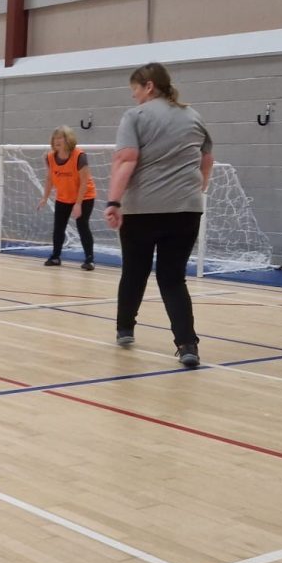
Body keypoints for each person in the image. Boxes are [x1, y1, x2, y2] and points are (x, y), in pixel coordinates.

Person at [104, 62, 213, 368]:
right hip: (186, 210)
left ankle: (125, 329)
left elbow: (126, 160)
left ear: (149, 86)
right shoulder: (194, 115)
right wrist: (198, 188)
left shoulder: (135, 117)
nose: (133, 96)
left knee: (134, 271)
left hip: (143, 210)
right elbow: (207, 159)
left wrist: (113, 201)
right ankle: (187, 344)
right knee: (173, 278)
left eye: (135, 89)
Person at [36, 125, 97, 271]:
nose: (57, 141)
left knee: (82, 225)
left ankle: (89, 259)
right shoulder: (50, 157)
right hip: (64, 196)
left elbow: (84, 182)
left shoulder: (79, 156)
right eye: (55, 138)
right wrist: (45, 197)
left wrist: (78, 204)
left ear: (68, 140)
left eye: (60, 138)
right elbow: (49, 179)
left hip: (84, 196)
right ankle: (55, 257)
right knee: (58, 227)